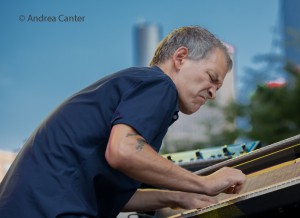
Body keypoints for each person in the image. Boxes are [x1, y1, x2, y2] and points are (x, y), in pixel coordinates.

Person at [0, 26, 246, 218]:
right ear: (180, 58)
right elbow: (123, 151)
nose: (213, 93)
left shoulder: (136, 89)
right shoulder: (159, 84)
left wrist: (178, 197)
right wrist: (205, 183)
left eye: (218, 87)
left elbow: (112, 197)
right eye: (211, 78)